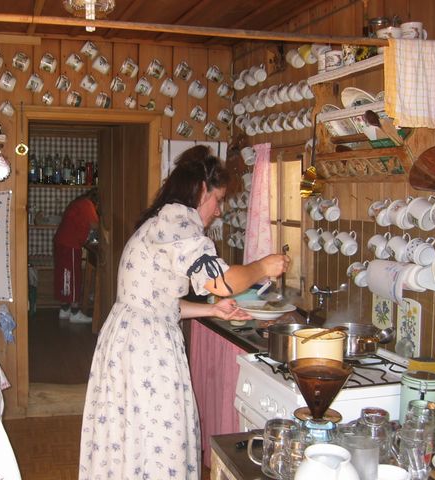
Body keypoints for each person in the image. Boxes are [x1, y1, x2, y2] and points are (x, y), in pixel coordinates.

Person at [79, 145, 290, 479]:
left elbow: (161, 301)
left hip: (130, 337)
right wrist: (263, 266)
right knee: (160, 435)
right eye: (218, 200)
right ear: (202, 189)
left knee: (133, 434)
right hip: (147, 350)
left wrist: (213, 311)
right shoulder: (178, 223)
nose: (218, 211)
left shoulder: (163, 221)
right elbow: (222, 282)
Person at [53, 188, 99, 324]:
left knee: (65, 277)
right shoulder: (87, 204)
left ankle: (65, 309)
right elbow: (95, 225)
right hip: (70, 244)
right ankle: (74, 312)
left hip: (62, 243)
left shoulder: (78, 203)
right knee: (73, 277)